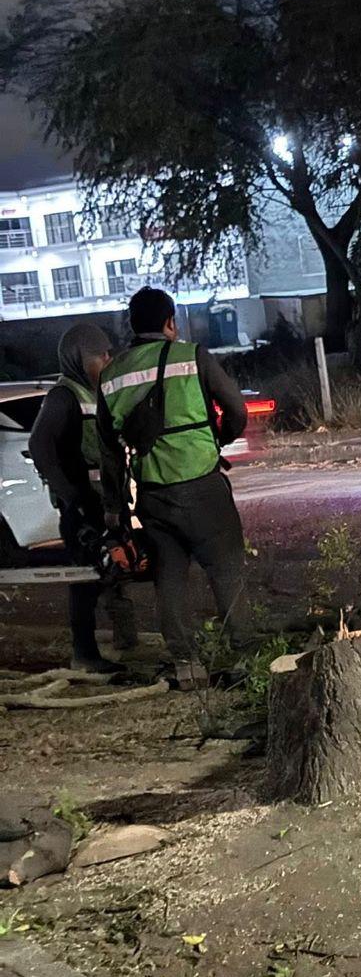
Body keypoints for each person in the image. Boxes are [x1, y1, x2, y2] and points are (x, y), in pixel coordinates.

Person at [97, 287, 250, 686]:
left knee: (169, 578)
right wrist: (219, 439)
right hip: (203, 485)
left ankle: (187, 665)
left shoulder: (111, 376)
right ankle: (245, 659)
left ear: (132, 325)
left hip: (153, 494)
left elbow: (109, 452)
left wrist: (114, 507)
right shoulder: (192, 356)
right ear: (169, 322)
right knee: (227, 570)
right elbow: (236, 409)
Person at [28, 324, 139, 673]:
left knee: (117, 568)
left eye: (109, 354)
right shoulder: (64, 396)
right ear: (78, 358)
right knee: (86, 579)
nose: (107, 360)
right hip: (83, 506)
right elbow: (40, 446)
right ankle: (85, 653)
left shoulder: (97, 392)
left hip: (107, 502)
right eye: (100, 355)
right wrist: (71, 497)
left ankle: (126, 643)